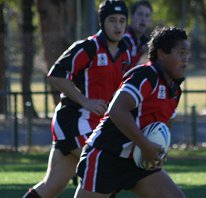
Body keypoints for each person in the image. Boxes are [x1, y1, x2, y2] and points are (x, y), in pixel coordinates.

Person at [23, 1, 131, 198]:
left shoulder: (125, 51)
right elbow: (55, 75)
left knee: (52, 186)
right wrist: (85, 101)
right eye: (112, 20)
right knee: (104, 170)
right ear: (102, 22)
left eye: (122, 20)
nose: (117, 25)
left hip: (96, 125)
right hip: (73, 121)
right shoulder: (88, 47)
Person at [74, 26, 190, 198]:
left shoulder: (174, 89)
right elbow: (116, 110)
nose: (186, 59)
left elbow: (164, 126)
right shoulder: (145, 75)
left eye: (187, 53)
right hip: (106, 156)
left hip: (136, 161)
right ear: (161, 54)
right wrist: (145, 145)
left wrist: (158, 150)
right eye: (181, 53)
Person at [124, 0, 152, 67]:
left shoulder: (147, 43)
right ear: (132, 17)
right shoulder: (124, 40)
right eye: (140, 14)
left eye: (147, 15)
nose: (143, 19)